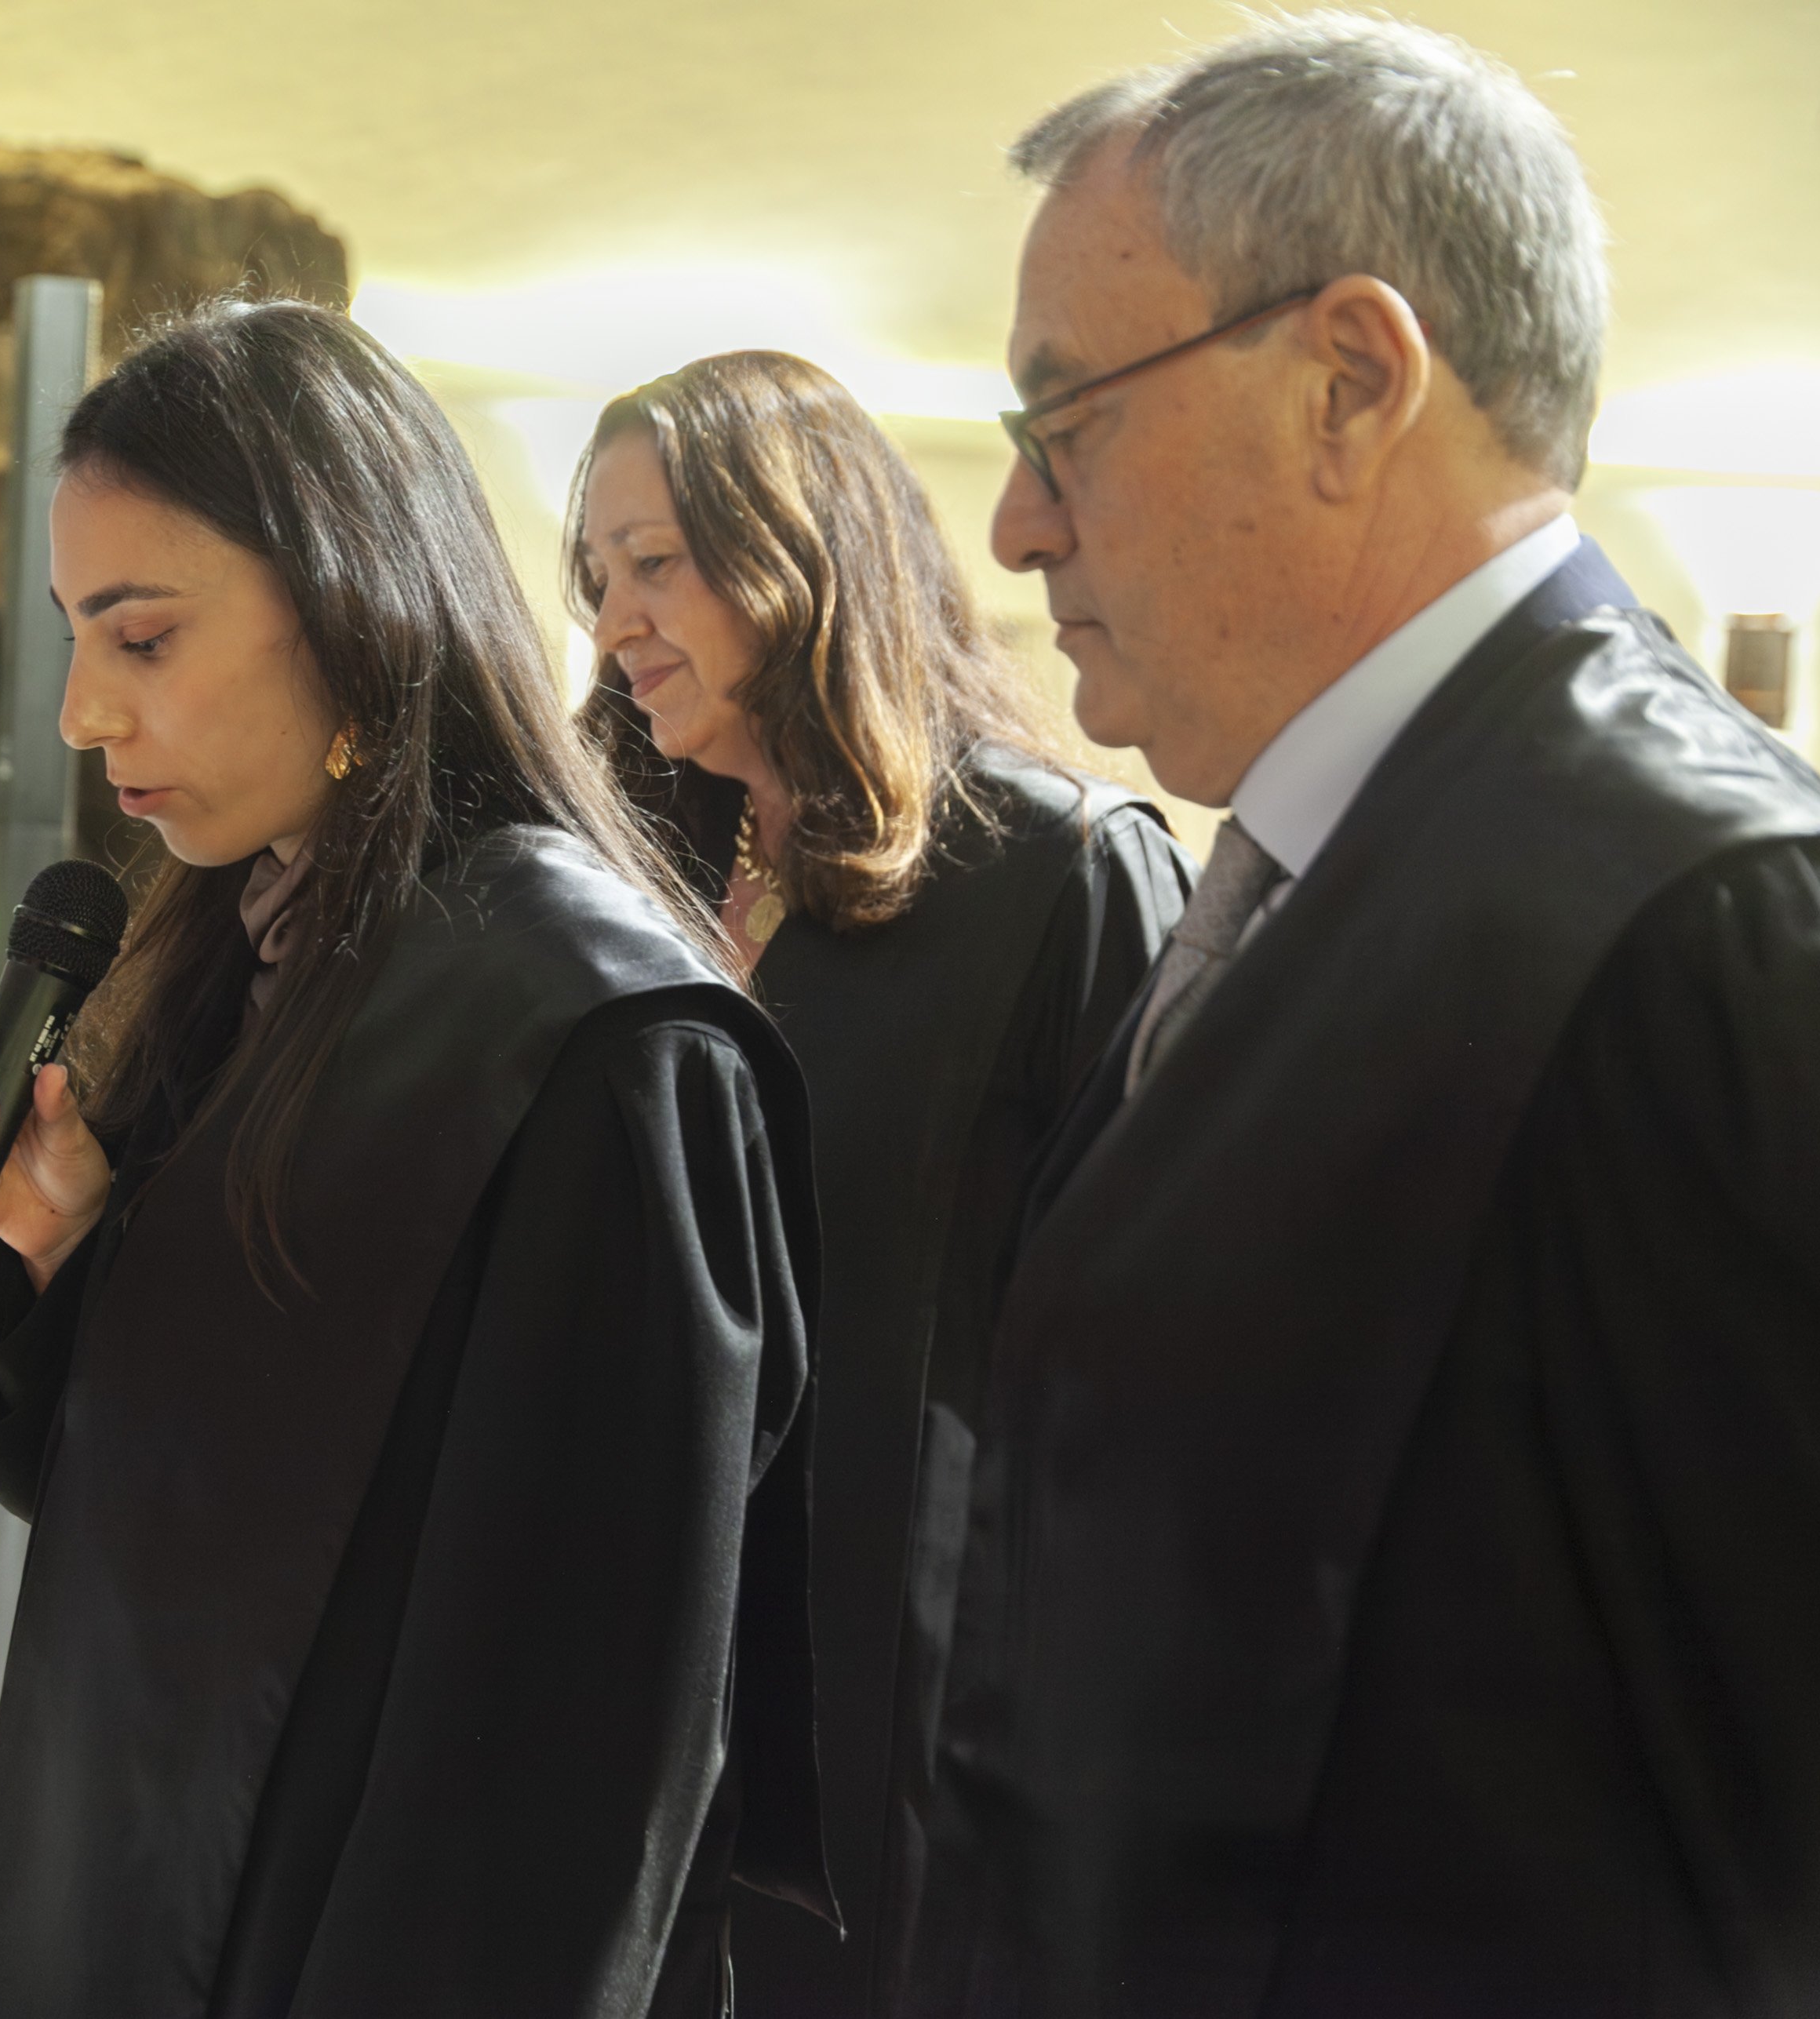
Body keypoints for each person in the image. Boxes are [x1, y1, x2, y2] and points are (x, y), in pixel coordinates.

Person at [915, 17, 1820, 2012]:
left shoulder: (1705, 926)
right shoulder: (1308, 870)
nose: (1011, 528)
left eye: (1058, 418)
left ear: (1347, 379)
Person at [0, 299, 828, 2017]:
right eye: (73, 640)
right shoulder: (250, 950)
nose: (86, 715)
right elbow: (218, 1514)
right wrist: (71, 1238)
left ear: (348, 598)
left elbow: (590, 1758)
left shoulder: (603, 1045)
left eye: (146, 639)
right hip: (127, 1861)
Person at [570, 351, 1190, 2017]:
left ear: (799, 545)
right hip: (631, 1667)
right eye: (595, 577)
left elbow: (1156, 1366)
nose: (614, 616)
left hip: (904, 1717)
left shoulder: (1059, 872)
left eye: (654, 563)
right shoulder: (620, 891)